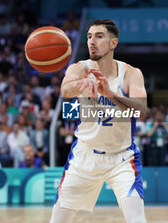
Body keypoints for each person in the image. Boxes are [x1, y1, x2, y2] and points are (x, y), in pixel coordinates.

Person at [49, 19, 147, 223]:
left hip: (122, 158)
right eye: (89, 36)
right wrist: (81, 83)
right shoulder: (79, 69)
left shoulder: (131, 73)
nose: (92, 41)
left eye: (99, 36)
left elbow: (142, 110)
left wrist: (110, 94)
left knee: (137, 219)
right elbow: (65, 90)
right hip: (85, 155)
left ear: (113, 43)